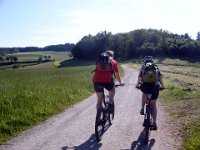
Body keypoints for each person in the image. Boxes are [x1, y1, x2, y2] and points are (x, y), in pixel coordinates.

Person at [135, 56, 164, 130]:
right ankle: (154, 122)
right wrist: (162, 86)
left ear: (145, 61)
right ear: (152, 61)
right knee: (153, 105)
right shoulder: (156, 67)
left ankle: (142, 108)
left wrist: (137, 85)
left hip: (145, 86)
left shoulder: (143, 67)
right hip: (155, 87)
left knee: (144, 93)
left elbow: (139, 78)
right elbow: (160, 78)